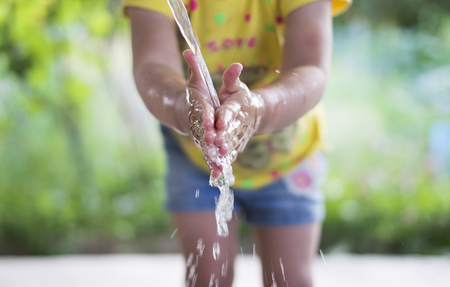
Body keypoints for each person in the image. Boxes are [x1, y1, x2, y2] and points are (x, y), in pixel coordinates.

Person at [123, 0, 351, 286]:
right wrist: (185, 108)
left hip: (287, 156)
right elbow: (151, 65)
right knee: (207, 279)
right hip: (195, 159)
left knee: (289, 279)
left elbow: (310, 67)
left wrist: (258, 110)